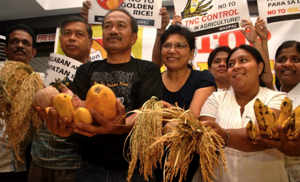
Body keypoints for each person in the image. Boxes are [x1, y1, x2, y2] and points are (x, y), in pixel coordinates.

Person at [37, 8, 163, 182]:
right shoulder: (85, 70)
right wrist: (66, 126)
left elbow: (149, 110)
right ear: (102, 35)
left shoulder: (148, 69)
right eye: (107, 26)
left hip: (136, 170)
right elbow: (77, 108)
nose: (113, 30)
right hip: (91, 169)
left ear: (134, 37)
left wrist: (122, 125)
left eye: (121, 26)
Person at [197, 44, 288, 182]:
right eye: (231, 64)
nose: (236, 66)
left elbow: (265, 134)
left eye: (243, 60)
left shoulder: (278, 98)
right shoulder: (215, 98)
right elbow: (204, 137)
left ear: (260, 67)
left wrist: (223, 135)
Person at [28, 16, 93, 182]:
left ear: (90, 43)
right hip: (39, 158)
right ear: (61, 39)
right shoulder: (41, 76)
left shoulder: (96, 76)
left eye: (79, 34)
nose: (72, 38)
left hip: (73, 163)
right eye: (67, 33)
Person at [156, 25, 216, 182]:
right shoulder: (153, 80)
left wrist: (162, 114)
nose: (172, 50)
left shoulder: (203, 78)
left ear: (191, 53)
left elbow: (192, 117)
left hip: (190, 165)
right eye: (167, 45)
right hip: (154, 164)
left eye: (180, 46)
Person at [0, 24, 44, 182]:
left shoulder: (41, 80)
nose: (19, 45)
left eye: (25, 43)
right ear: (5, 49)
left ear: (33, 53)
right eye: (14, 42)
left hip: (21, 164)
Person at [254, 40, 300, 181]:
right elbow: (267, 76)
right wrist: (256, 40)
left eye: (296, 59)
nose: (287, 64)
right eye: (281, 60)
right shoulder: (274, 96)